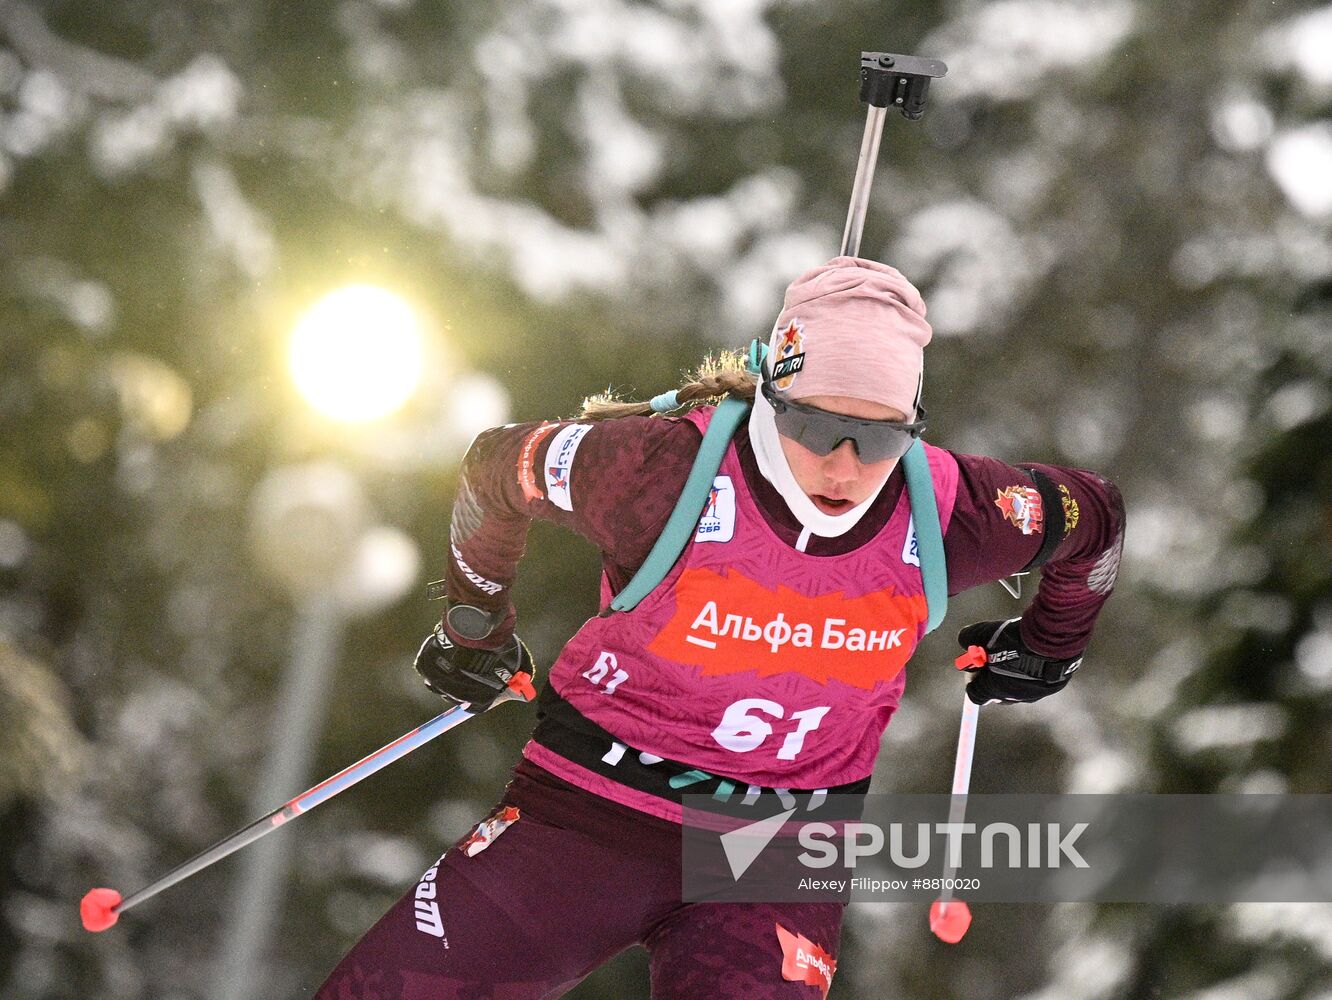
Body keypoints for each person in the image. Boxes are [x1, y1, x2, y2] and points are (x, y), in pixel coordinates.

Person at [312, 256, 1125, 999]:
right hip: (587, 814)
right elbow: (498, 467)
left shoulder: (958, 513)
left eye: (878, 436)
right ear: (773, 394)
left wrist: (1051, 647)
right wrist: (473, 622)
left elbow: (1098, 521)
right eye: (815, 426)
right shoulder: (656, 471)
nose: (843, 466)